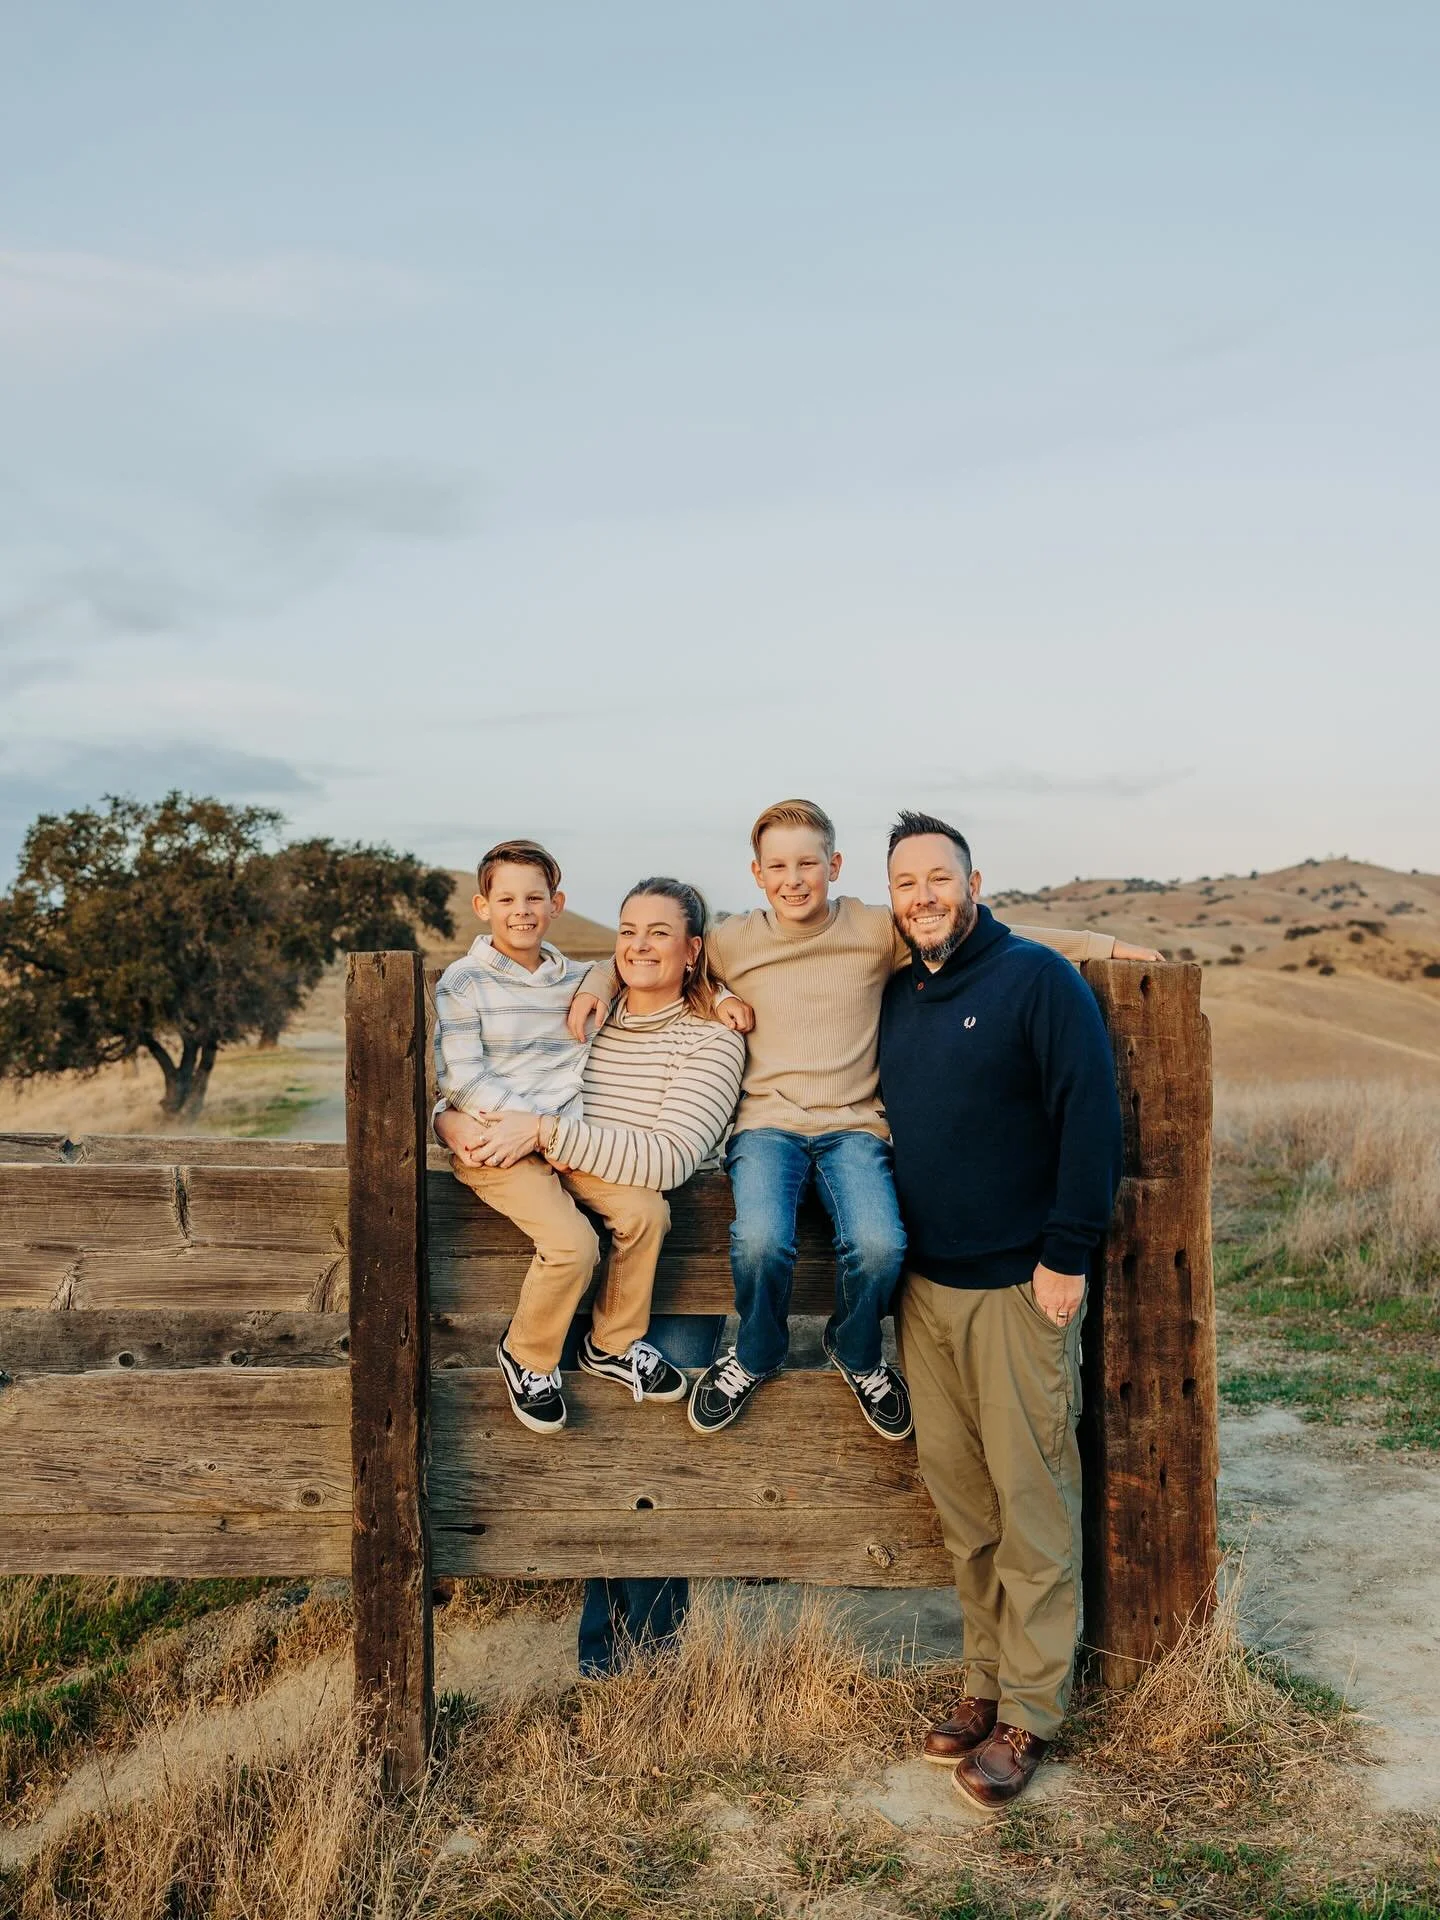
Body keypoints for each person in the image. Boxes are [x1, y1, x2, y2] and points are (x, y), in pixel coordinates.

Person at [570, 798, 1147, 1443]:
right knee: (760, 1241)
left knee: (880, 1246)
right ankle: (756, 1350)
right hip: (766, 1125)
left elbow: (1004, 937)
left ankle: (857, 1348)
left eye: (809, 863)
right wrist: (596, 982)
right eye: (778, 866)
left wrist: (1104, 947)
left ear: (835, 865)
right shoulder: (734, 940)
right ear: (757, 874)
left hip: (855, 1127)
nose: (794, 879)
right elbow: (650, 955)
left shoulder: (875, 931)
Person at [878, 810, 1130, 1813]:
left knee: (1031, 1505)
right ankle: (983, 1683)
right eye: (906, 884)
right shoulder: (900, 992)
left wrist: (1065, 1256)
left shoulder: (1038, 980)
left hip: (1019, 1290)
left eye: (938, 878)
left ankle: (1032, 1709)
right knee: (965, 1508)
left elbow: (1091, 1117)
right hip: (926, 1291)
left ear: (973, 881)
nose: (923, 897)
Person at [439, 872, 745, 1674]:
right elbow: (484, 1069)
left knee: (655, 1463)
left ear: (693, 951)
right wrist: (449, 1120)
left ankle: (656, 1662)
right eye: (627, 932)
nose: (639, 946)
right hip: (578, 1253)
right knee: (597, 1454)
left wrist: (541, 1131)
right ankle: (600, 1656)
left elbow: (669, 1159)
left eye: (659, 934)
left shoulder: (711, 1038)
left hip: (673, 1275)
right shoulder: (587, 1014)